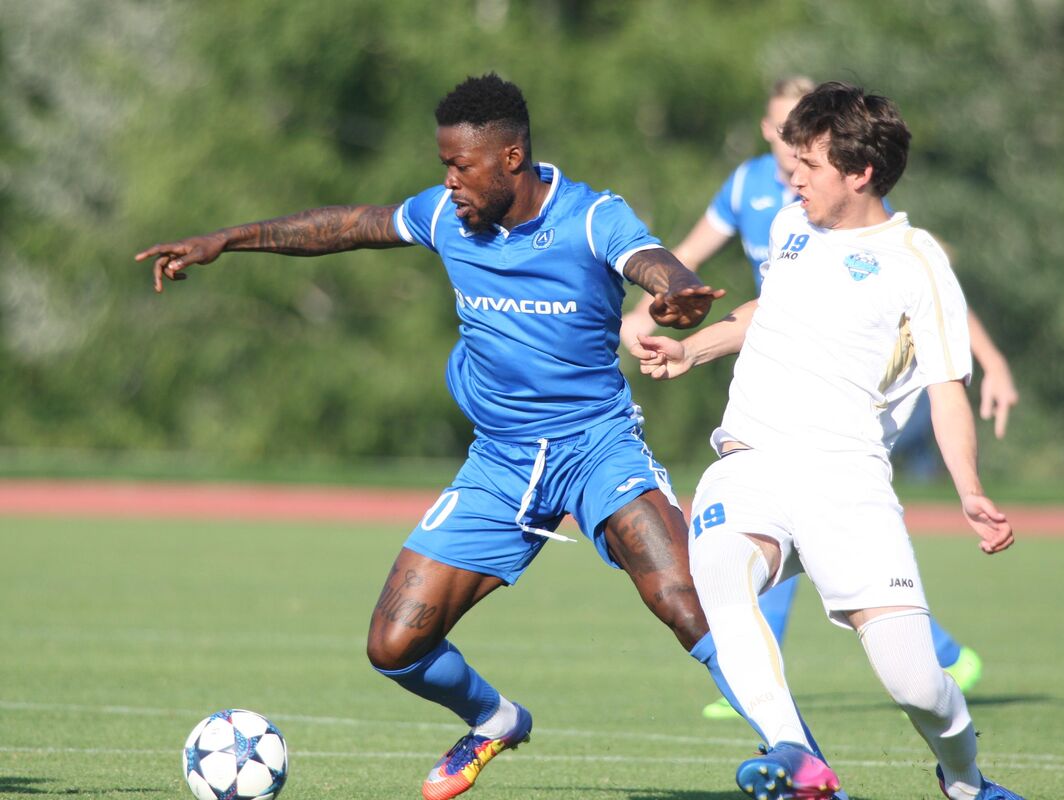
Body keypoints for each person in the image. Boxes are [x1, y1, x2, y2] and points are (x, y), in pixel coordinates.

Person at [135, 73, 847, 800]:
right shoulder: (447, 215)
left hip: (596, 448)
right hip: (500, 461)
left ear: (511, 158)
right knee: (394, 646)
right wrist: (227, 240)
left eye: (461, 165)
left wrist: (673, 289)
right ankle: (494, 720)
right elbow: (350, 225)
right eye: (444, 165)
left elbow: (651, 261)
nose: (449, 181)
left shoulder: (591, 216)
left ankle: (808, 772)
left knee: (684, 599)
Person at [635, 81, 1024, 799]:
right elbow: (769, 309)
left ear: (860, 172)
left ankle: (967, 781)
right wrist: (694, 349)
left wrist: (970, 490)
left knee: (917, 685)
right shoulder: (791, 225)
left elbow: (946, 389)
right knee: (717, 573)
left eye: (809, 163)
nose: (792, 175)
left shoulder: (916, 262)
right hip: (751, 460)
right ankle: (795, 755)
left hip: (847, 479)